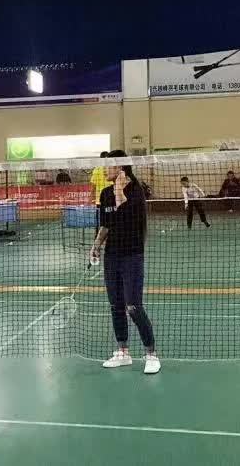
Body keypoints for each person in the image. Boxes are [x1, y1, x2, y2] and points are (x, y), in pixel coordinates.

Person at [90, 150, 160, 375]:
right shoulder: (105, 193)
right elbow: (106, 224)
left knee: (133, 306)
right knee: (116, 305)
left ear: (120, 168)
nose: (105, 169)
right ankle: (123, 352)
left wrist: (119, 188)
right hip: (112, 255)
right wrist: (96, 245)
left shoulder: (137, 192)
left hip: (132, 255)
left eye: (109, 165)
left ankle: (151, 354)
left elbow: (127, 215)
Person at [89, 152, 112, 234]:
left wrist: (91, 198)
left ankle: (98, 237)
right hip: (110, 200)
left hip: (99, 201)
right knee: (111, 219)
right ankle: (109, 236)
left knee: (100, 221)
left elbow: (93, 186)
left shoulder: (96, 169)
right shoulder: (111, 169)